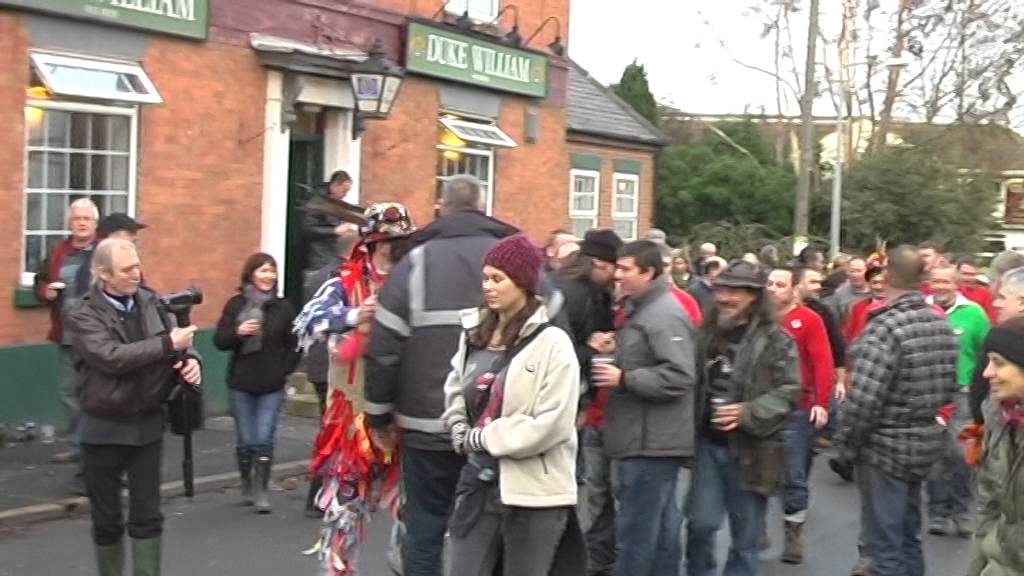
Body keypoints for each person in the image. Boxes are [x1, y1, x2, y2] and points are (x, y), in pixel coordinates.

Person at [364, 175, 518, 576]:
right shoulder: (515, 260)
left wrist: (378, 416)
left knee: (426, 529)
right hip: (498, 428)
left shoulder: (414, 265)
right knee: (492, 530)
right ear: (482, 206)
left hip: (427, 425)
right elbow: (558, 336)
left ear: (442, 208)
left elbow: (383, 351)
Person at [444, 234, 584, 576]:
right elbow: (455, 387)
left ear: (521, 282)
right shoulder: (473, 333)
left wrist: (484, 437)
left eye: (498, 279)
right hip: (478, 482)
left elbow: (552, 423)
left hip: (534, 491)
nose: (488, 287)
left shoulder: (554, 344)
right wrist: (458, 424)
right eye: (486, 278)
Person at [70, 238, 201, 576]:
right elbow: (110, 358)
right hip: (102, 427)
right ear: (103, 274)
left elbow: (178, 345)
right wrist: (167, 344)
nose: (136, 275)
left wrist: (192, 361)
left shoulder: (151, 301)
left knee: (147, 517)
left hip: (146, 425)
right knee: (107, 519)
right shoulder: (84, 313)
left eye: (137, 267)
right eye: (127, 270)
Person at [835, 245, 959, 576]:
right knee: (908, 535)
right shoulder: (941, 324)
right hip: (923, 441)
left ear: (887, 275)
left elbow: (864, 400)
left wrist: (845, 447)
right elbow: (949, 388)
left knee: (883, 544)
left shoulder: (886, 327)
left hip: (884, 448)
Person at [685, 260, 800, 576]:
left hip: (753, 450)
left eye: (733, 291)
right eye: (721, 289)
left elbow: (790, 390)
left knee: (746, 538)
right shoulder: (706, 333)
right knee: (700, 525)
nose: (723, 297)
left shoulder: (777, 339)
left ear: (753, 296)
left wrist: (749, 412)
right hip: (708, 445)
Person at [591, 240, 696, 576]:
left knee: (638, 532)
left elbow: (680, 375)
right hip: (643, 438)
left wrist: (625, 377)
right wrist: (617, 347)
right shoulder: (643, 309)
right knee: (660, 530)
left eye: (625, 269)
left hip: (652, 442)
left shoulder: (664, 313)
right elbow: (650, 356)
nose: (617, 275)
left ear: (649, 272)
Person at [214, 253, 300, 513]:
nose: (268, 276)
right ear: (251, 274)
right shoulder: (236, 304)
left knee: (263, 439)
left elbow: (294, 344)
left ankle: (262, 490)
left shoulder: (283, 307)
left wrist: (283, 371)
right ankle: (246, 482)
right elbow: (220, 340)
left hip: (271, 385)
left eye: (272, 271)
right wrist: (238, 333)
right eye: (263, 271)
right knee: (246, 441)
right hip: (241, 382)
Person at [556, 230, 620, 576]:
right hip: (568, 400)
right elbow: (557, 353)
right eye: (614, 267)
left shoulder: (574, 288)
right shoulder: (578, 295)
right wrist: (593, 348)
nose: (617, 275)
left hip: (575, 399)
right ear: (599, 263)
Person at [766, 266, 834, 564]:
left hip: (797, 407)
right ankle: (753, 526)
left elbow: (823, 362)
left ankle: (793, 532)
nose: (772, 289)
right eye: (769, 283)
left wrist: (821, 401)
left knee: (795, 473)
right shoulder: (758, 319)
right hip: (763, 406)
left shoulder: (809, 320)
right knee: (757, 469)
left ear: (793, 290)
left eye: (779, 285)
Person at [34, 198, 101, 472]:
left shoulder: (103, 251)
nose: (81, 223)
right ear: (70, 223)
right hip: (66, 335)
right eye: (77, 219)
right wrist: (46, 291)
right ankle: (77, 445)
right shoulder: (58, 251)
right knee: (69, 392)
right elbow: (41, 281)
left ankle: (96, 446)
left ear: (95, 224)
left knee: (96, 392)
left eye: (86, 219)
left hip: (98, 336)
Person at [925, 264, 991, 537]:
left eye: (945, 282)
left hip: (962, 393)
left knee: (962, 454)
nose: (939, 287)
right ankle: (938, 512)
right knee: (934, 454)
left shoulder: (974, 314)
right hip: (929, 392)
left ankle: (963, 511)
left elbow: (985, 352)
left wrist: (981, 391)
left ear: (956, 285)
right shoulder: (922, 310)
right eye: (935, 281)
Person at [967, 317, 1024, 576]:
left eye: (998, 363)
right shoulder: (1000, 415)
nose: (986, 372)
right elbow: (989, 500)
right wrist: (980, 564)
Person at [303, 170, 362, 272]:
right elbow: (307, 228)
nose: (345, 195)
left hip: (333, 256)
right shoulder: (317, 201)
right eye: (343, 191)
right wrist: (335, 231)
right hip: (320, 258)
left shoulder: (336, 203)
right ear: (334, 185)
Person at [844, 265, 887, 344]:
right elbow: (851, 336)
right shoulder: (858, 307)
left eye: (883, 282)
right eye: (875, 282)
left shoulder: (899, 306)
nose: (879, 287)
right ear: (868, 284)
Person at [827, 256, 870, 323]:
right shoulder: (839, 293)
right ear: (847, 273)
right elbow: (834, 322)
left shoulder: (876, 291)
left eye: (859, 271)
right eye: (852, 271)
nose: (855, 275)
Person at [956, 255, 998, 323]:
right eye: (965, 274)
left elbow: (992, 319)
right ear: (956, 272)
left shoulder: (984, 294)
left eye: (972, 274)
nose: (968, 278)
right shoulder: (948, 290)